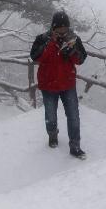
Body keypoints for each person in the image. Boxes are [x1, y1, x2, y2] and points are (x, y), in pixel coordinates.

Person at [30, 10, 89, 159]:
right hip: (48, 84)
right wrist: (50, 44)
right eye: (59, 28)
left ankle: (75, 146)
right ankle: (52, 134)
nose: (62, 31)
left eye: (65, 28)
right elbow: (35, 57)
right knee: (51, 115)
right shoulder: (43, 39)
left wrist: (71, 52)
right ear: (53, 27)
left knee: (73, 116)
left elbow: (81, 59)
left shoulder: (74, 39)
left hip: (67, 84)